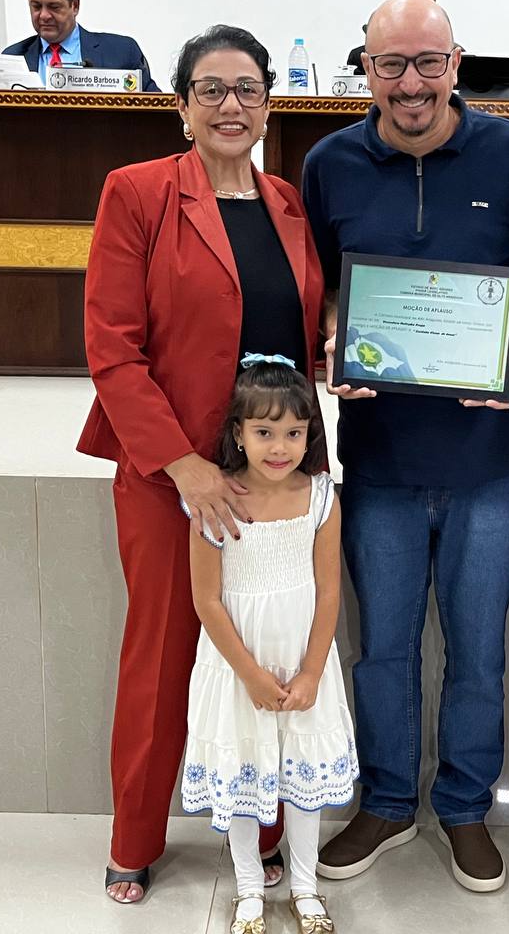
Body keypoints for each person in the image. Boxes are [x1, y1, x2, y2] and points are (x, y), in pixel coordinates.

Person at [303, 0, 509, 894]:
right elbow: (324, 287)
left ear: (456, 64)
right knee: (385, 646)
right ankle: (385, 801)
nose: (410, 84)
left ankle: (463, 806)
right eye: (390, 66)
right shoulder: (329, 162)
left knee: (478, 647)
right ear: (365, 69)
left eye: (427, 64)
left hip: (490, 460)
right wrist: (335, 335)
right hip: (381, 457)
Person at [77, 24, 325, 904]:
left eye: (248, 89)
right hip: (171, 475)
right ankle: (135, 837)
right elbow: (111, 346)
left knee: (267, 645)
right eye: (211, 89)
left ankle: (266, 828)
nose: (230, 105)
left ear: (268, 105)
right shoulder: (138, 192)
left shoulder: (288, 203)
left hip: (272, 477)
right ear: (181, 105)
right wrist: (183, 464)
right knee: (162, 653)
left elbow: (302, 331)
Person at [181, 357, 355, 934]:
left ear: (309, 435)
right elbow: (207, 600)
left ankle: (305, 886)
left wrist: (310, 673)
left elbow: (329, 591)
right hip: (238, 665)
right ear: (238, 433)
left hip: (304, 658)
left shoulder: (321, 497)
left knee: (303, 774)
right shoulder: (215, 501)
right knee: (244, 770)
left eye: (293, 433)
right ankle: (249, 889)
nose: (280, 447)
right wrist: (251, 675)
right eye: (264, 432)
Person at [3, 0, 159, 91]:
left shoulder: (122, 53)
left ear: (75, 6)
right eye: (36, 6)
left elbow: (157, 112)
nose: (44, 15)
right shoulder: (11, 59)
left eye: (54, 7)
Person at [346, 0, 438, 75]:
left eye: (425, 5)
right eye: (407, 5)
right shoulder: (363, 58)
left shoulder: (447, 56)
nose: (416, 13)